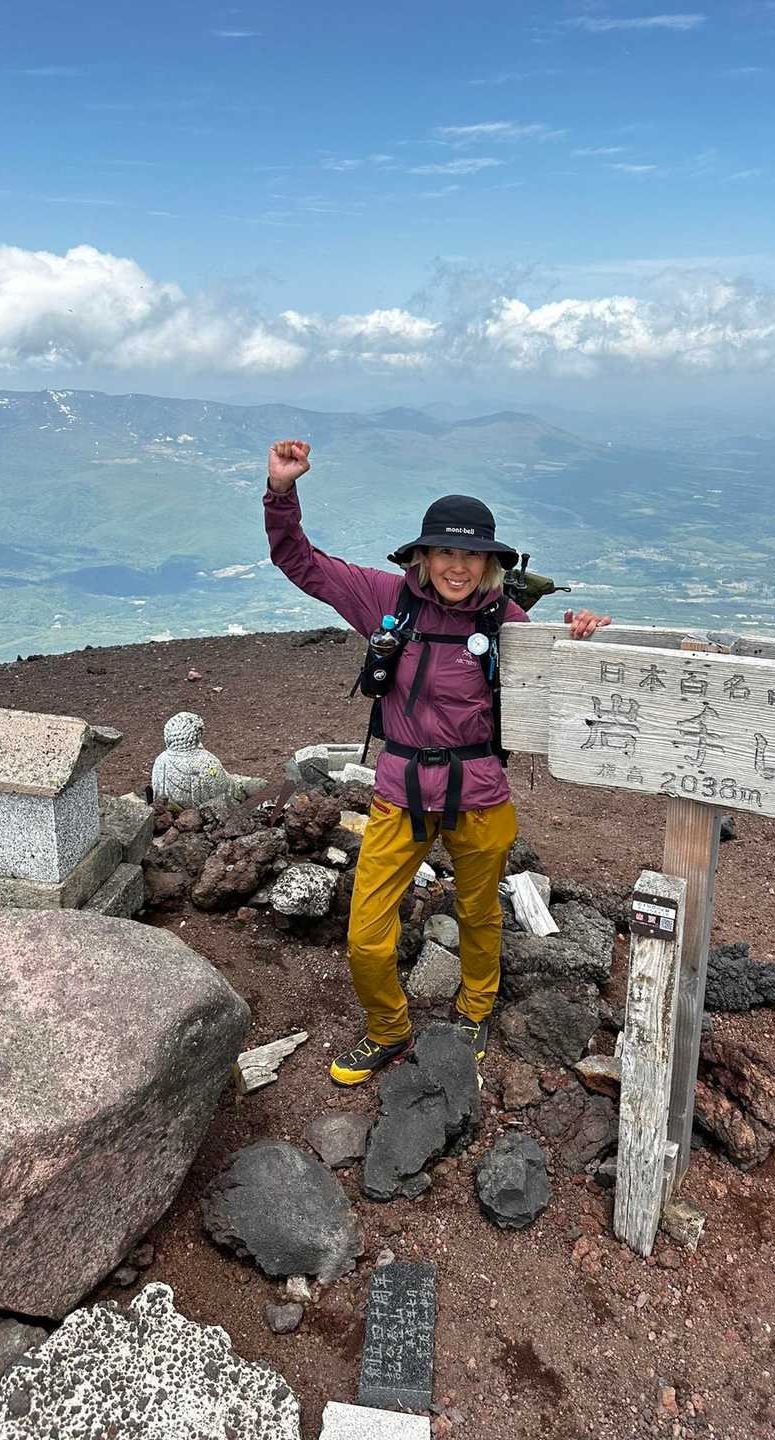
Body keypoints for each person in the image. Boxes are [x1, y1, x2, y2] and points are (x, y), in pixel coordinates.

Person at [264, 438, 611, 1085]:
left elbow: (568, 678)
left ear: (490, 563)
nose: (458, 566)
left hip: (478, 793)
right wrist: (281, 492)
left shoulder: (508, 620)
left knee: (480, 913)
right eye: (446, 551)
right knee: (366, 933)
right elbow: (299, 561)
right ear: (422, 557)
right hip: (400, 792)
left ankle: (474, 1011)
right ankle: (388, 1029)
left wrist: (581, 637)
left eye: (471, 554)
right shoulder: (385, 598)